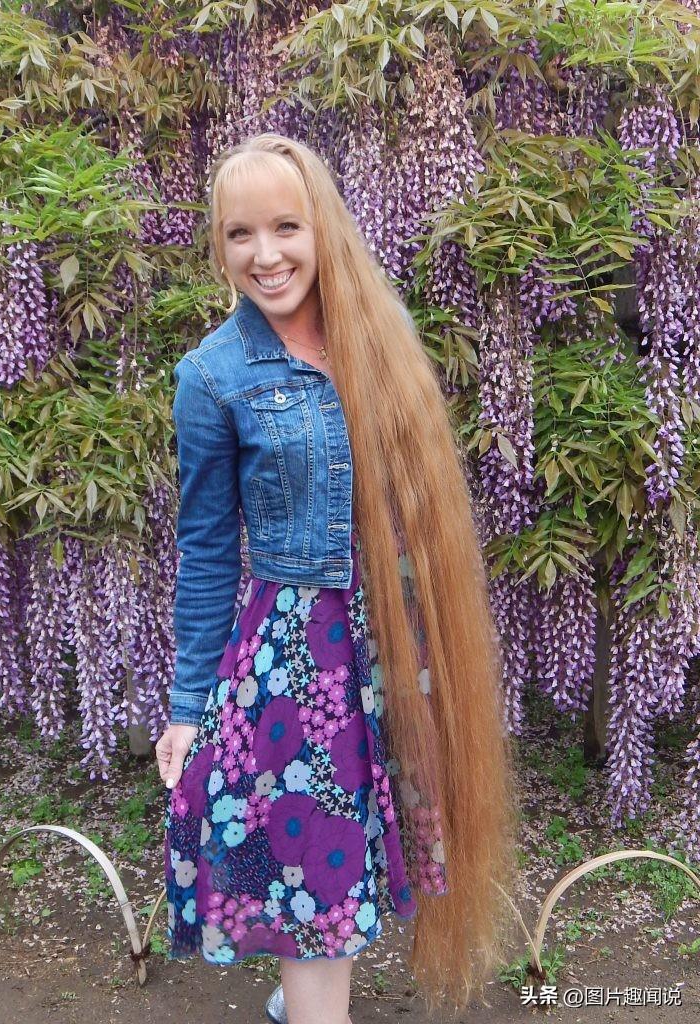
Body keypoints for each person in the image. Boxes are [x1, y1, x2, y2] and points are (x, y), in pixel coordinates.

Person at [155, 133, 521, 1024]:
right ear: (218, 245)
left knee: (350, 854)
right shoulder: (212, 377)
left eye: (286, 226)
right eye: (240, 234)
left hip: (394, 645)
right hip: (295, 668)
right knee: (312, 863)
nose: (265, 254)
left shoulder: (379, 340)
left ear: (323, 227)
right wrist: (187, 705)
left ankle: (302, 1003)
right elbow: (207, 550)